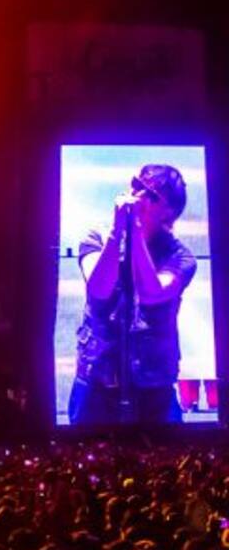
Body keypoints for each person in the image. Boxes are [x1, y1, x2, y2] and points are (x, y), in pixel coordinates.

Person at [69, 164, 196, 425]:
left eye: (150, 195)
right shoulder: (97, 238)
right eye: (136, 184)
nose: (137, 195)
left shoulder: (180, 257)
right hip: (97, 382)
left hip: (154, 389)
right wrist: (117, 233)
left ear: (169, 212)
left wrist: (135, 231)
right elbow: (98, 288)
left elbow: (152, 294)